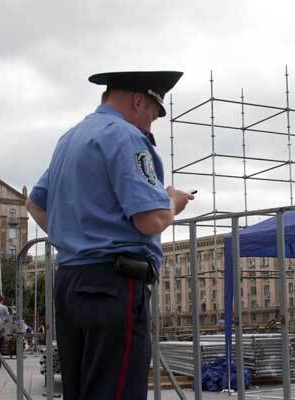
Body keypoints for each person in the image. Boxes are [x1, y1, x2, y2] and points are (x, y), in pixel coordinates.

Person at [26, 71, 194, 400]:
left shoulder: (70, 138)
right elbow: (150, 219)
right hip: (113, 287)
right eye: (153, 114)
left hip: (70, 284)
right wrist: (172, 202)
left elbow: (34, 203)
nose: (149, 125)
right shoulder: (126, 137)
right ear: (138, 101)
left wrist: (77, 236)